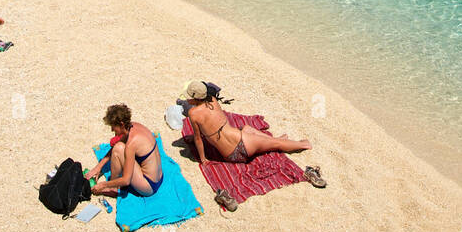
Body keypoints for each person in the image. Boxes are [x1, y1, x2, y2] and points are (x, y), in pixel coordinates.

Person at [183, 81, 324, 183]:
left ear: (195, 98)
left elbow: (198, 138)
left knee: (248, 129)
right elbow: (204, 130)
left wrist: (203, 159)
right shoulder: (213, 101)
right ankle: (304, 144)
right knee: (276, 143)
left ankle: (281, 142)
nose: (188, 99)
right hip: (243, 145)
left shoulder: (193, 113)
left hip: (229, 155)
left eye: (189, 96)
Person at [84, 104, 164, 198]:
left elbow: (126, 180)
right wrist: (98, 167)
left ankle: (112, 189)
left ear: (121, 124)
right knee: (119, 147)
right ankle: (112, 185)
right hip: (159, 177)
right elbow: (118, 144)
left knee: (118, 149)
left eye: (113, 126)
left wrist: (104, 184)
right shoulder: (134, 126)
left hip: (148, 186)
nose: (112, 130)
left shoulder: (131, 143)